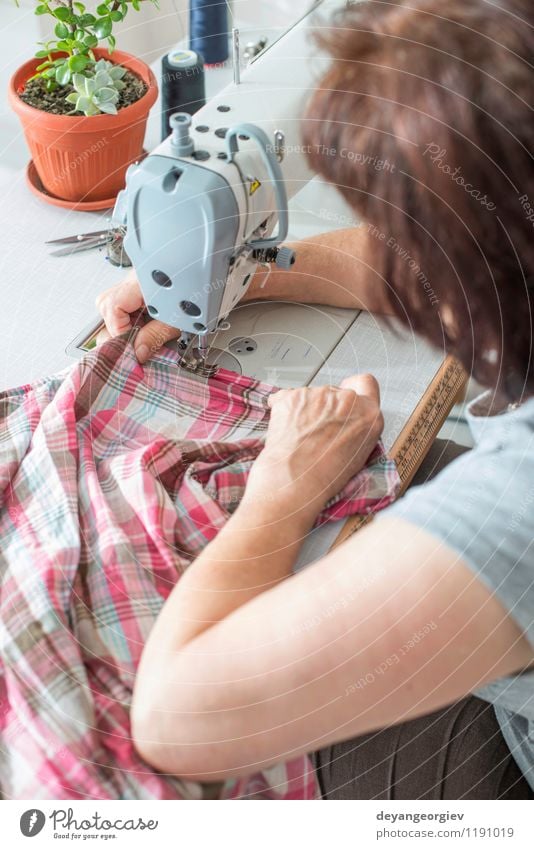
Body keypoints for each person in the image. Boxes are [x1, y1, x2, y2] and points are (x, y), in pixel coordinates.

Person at [96, 0, 534, 799]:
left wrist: (284, 490)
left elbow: (174, 722)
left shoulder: (521, 495)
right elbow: (458, 256)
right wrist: (234, 273)